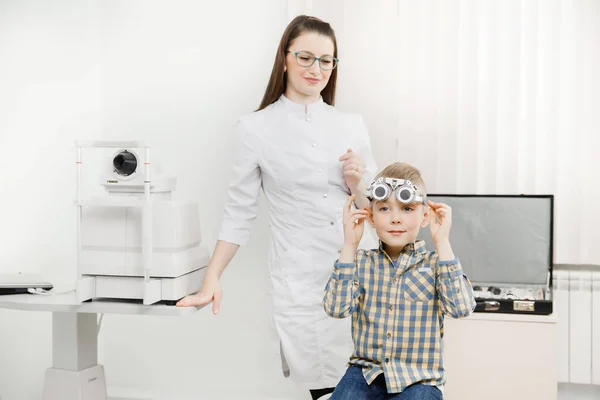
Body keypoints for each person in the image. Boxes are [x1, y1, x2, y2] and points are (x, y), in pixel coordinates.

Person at [177, 15, 378, 399]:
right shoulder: (254, 128)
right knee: (328, 388)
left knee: (373, 385)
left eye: (326, 60)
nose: (316, 69)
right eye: (305, 57)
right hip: (302, 281)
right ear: (284, 58)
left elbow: (375, 207)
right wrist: (212, 278)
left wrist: (358, 184)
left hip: (361, 275)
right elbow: (239, 213)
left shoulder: (351, 124)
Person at [323, 162, 476, 399]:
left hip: (419, 378)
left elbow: (461, 308)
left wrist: (442, 242)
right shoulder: (361, 262)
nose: (395, 218)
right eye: (384, 209)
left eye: (406, 208)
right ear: (371, 217)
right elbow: (336, 309)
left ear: (425, 216)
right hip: (366, 373)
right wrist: (349, 245)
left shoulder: (435, 264)